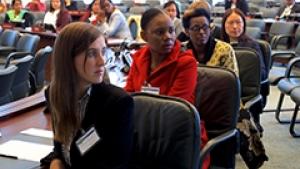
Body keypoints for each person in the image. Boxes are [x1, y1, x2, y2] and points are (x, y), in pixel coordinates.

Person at [124, 8, 210, 169]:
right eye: (159, 32)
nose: (168, 37)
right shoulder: (139, 58)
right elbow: (128, 96)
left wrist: (141, 102)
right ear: (144, 36)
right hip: (143, 132)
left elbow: (172, 110)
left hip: (178, 136)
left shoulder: (186, 63)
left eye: (171, 31)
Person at [47, 22, 134, 169]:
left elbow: (115, 165)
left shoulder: (118, 103)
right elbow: (62, 149)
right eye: (92, 54)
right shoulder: (54, 94)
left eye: (103, 52)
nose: (102, 61)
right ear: (68, 58)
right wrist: (56, 161)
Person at [182, 8, 239, 74]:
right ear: (187, 31)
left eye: (205, 27)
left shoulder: (225, 50)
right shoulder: (181, 50)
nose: (201, 32)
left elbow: (232, 80)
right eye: (196, 28)